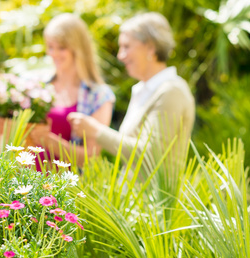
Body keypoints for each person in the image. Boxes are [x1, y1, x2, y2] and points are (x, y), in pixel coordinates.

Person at [68, 12, 195, 169]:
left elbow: (152, 156)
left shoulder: (172, 91)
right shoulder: (143, 89)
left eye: (126, 47)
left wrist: (97, 131)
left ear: (150, 48)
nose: (120, 56)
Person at [30, 13, 115, 167]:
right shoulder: (37, 85)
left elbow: (90, 157)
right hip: (26, 184)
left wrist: (48, 140)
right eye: (50, 47)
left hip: (66, 187)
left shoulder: (99, 96)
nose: (54, 54)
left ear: (78, 49)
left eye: (61, 48)